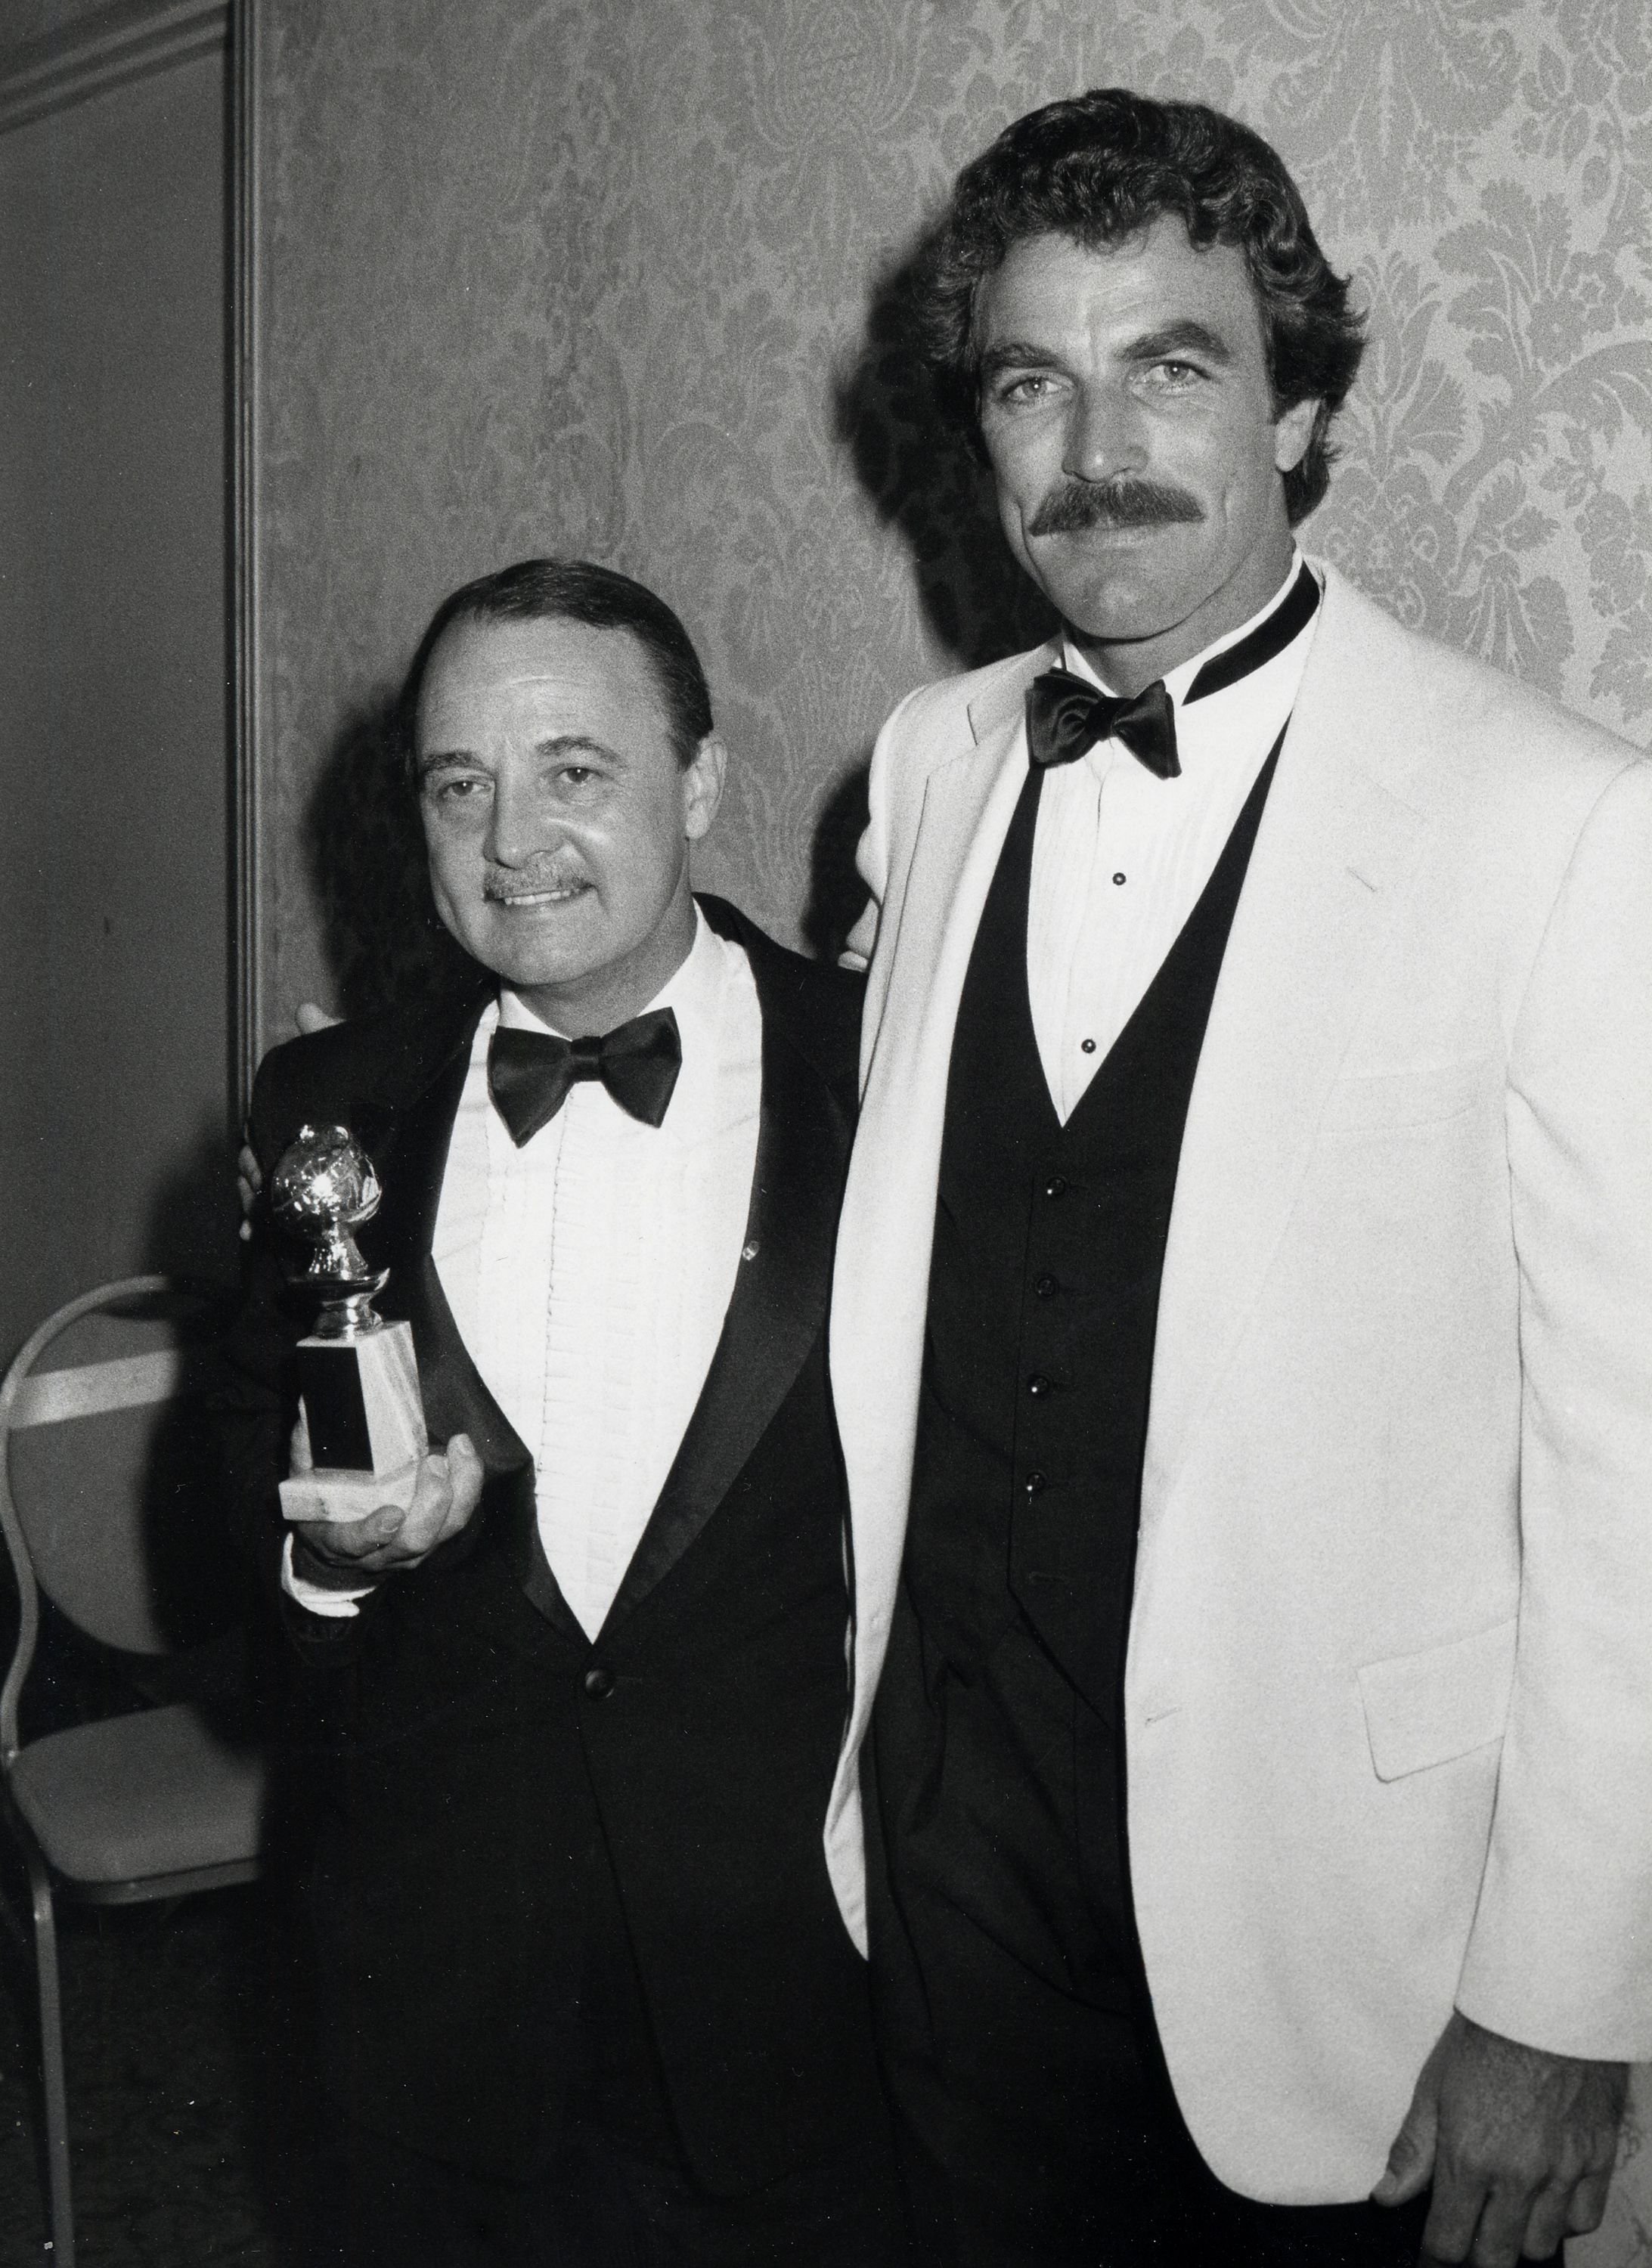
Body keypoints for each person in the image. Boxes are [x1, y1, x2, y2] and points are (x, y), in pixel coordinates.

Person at [822, 88, 1652, 2268]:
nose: (1094, 444)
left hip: (1335, 1952)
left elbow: (1632, 1476)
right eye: (1033, 381)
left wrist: (1559, 2001)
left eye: (1171, 366)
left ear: (1295, 417)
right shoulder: (927, 768)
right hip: (947, 1866)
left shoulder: (1560, 824)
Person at [216, 559, 906, 2268]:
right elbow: (236, 1501)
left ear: (700, 784)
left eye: (573, 773)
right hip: (436, 2012)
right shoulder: (329, 1106)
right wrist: (328, 1567)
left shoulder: (887, 1065)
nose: (509, 839)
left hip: (797, 1996)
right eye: (462, 786)